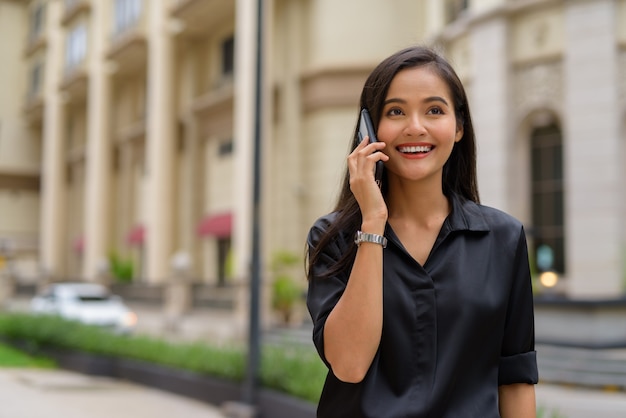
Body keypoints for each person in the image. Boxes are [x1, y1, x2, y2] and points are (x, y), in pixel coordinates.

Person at [306, 46, 538, 418]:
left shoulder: (503, 238)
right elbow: (349, 364)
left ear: (459, 127)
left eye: (434, 110)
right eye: (395, 111)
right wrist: (373, 222)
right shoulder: (333, 237)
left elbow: (515, 375)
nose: (415, 126)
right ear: (369, 130)